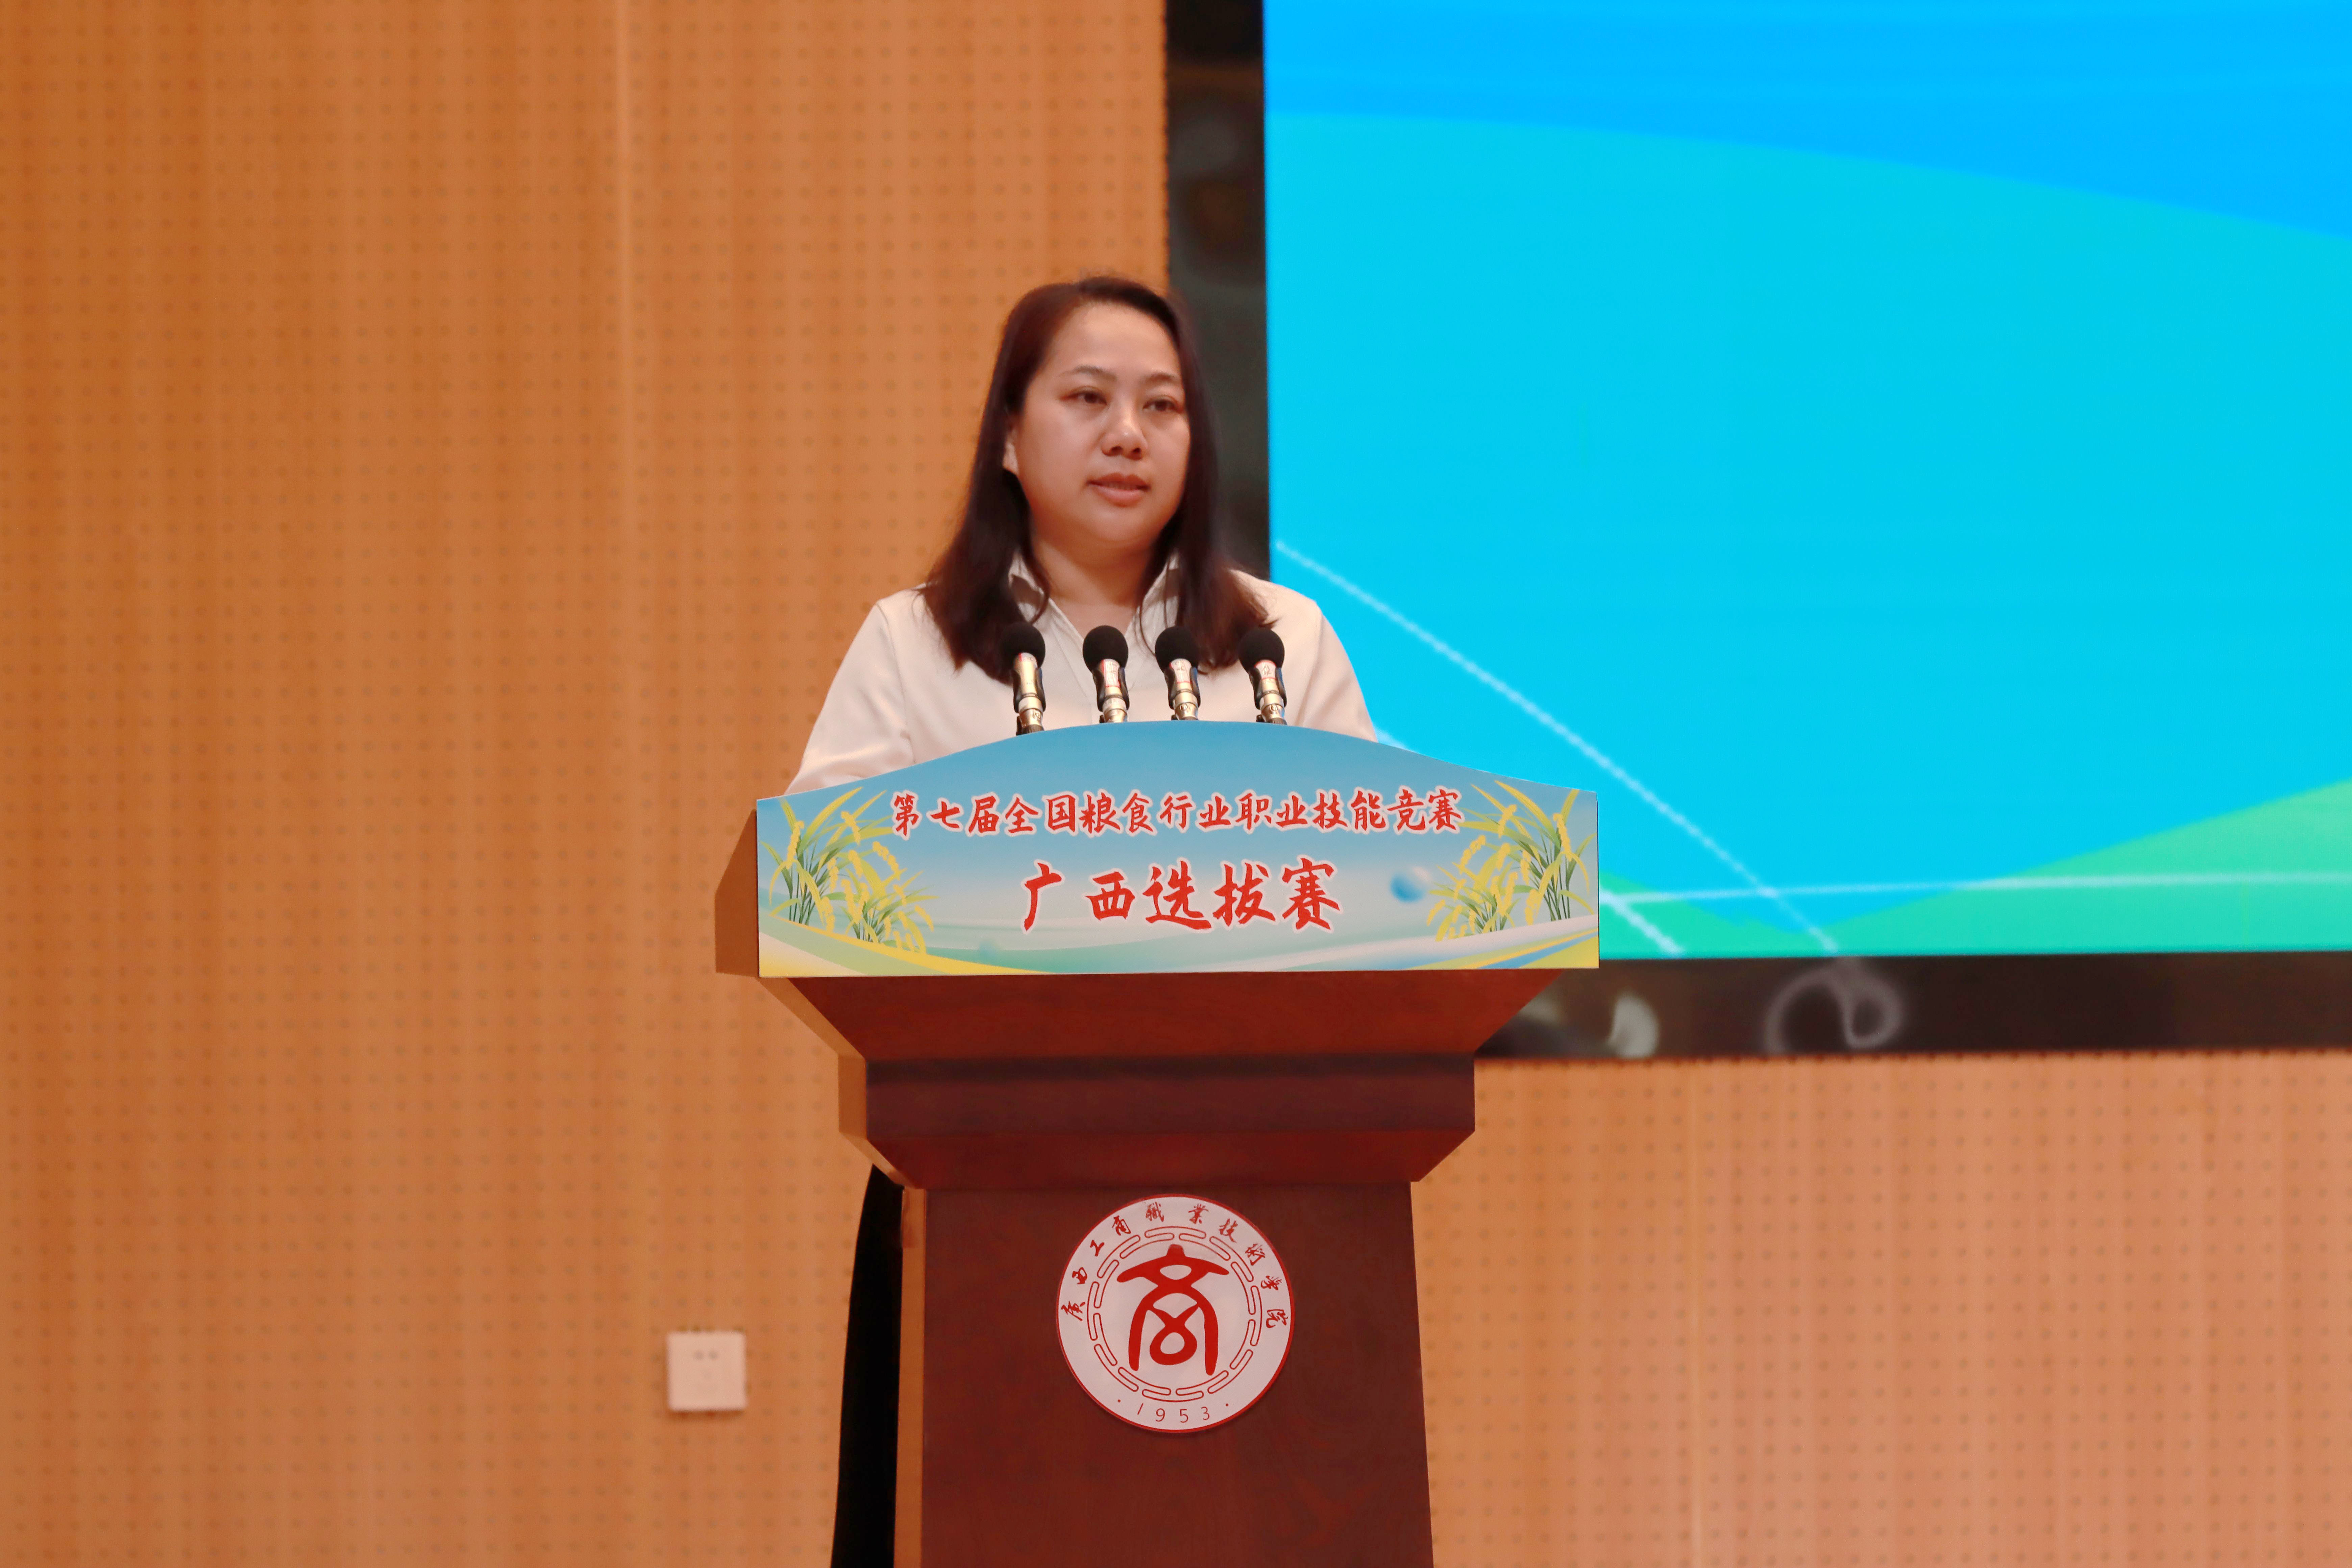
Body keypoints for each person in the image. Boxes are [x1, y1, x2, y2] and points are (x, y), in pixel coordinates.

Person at [792, 275, 1374, 1565]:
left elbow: (1396, 880)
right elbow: (821, 885)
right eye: (1089, 398)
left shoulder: (1279, 641)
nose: (1128, 435)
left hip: (1266, 1177)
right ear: (1010, 434)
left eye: (1162, 406)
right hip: (975, 1172)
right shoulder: (916, 644)